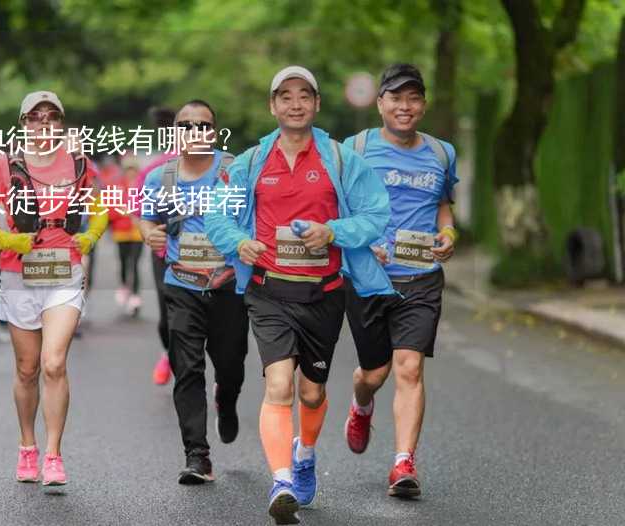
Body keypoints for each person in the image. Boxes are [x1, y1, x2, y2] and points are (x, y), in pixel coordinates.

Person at [205, 66, 393, 525]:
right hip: (269, 291)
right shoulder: (250, 163)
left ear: (316, 104)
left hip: (325, 292)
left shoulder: (341, 159)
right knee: (279, 385)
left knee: (311, 393)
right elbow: (217, 215)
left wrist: (334, 231)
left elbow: (376, 214)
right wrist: (238, 243)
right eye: (284, 96)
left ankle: (304, 453)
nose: (294, 103)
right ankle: (283, 479)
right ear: (272, 106)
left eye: (303, 95)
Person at [0, 91, 107, 486]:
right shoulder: (2, 165)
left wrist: (90, 237)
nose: (43, 123)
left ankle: (53, 454)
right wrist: (10, 242)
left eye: (51, 116)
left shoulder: (80, 163)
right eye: (35, 117)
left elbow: (99, 210)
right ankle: (27, 446)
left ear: (61, 123)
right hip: (20, 274)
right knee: (27, 368)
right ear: (24, 124)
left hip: (64, 272)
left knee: (53, 362)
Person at [342, 63, 458, 499]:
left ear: (423, 105)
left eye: (413, 98)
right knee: (374, 374)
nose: (404, 107)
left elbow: (444, 206)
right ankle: (361, 402)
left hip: (421, 278)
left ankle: (403, 463)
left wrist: (448, 235)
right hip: (368, 278)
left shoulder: (442, 153)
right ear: (380, 104)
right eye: (396, 98)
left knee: (409, 367)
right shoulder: (354, 150)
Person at [140, 100, 249, 484]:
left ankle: (227, 398)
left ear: (213, 132)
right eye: (185, 125)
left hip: (228, 286)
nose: (193, 131)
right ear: (175, 133)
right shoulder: (160, 179)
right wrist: (147, 232)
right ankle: (197, 457)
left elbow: (254, 219)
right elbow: (147, 221)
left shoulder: (234, 171)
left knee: (231, 363)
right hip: (182, 285)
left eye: (201, 125)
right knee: (187, 370)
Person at [135, 106, 176, 385]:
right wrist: (149, 233)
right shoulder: (153, 169)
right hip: (165, 253)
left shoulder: (217, 167)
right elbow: (140, 212)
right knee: (167, 315)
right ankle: (169, 353)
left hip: (209, 256)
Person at [109, 158, 143, 316]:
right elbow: (110, 210)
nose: (131, 172)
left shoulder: (142, 186)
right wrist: (124, 211)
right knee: (123, 261)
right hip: (121, 232)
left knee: (135, 263)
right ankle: (124, 285)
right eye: (128, 169)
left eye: (133, 169)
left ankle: (135, 296)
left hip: (137, 232)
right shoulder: (117, 187)